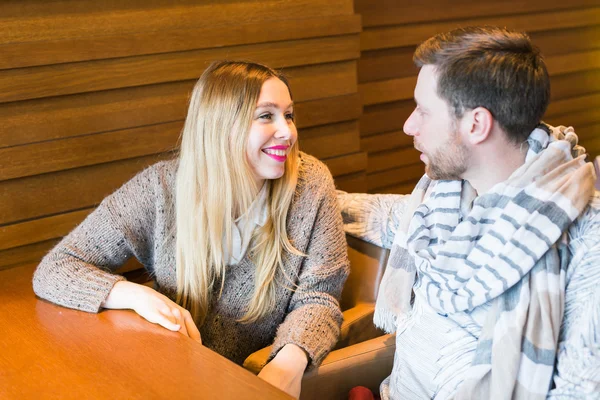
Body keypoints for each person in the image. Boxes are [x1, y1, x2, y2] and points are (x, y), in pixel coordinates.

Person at [33, 60, 349, 398]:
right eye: (265, 115)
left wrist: (288, 361)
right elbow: (56, 267)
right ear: (220, 126)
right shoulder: (161, 187)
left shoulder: (311, 183)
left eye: (288, 115)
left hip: (245, 384)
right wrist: (134, 294)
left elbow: (319, 298)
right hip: (162, 378)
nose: (288, 131)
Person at [338, 26, 599, 399]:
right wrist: (303, 191)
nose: (408, 125)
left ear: (476, 124)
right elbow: (384, 216)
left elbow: (578, 391)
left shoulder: (584, 243)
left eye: (423, 112)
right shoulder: (444, 195)